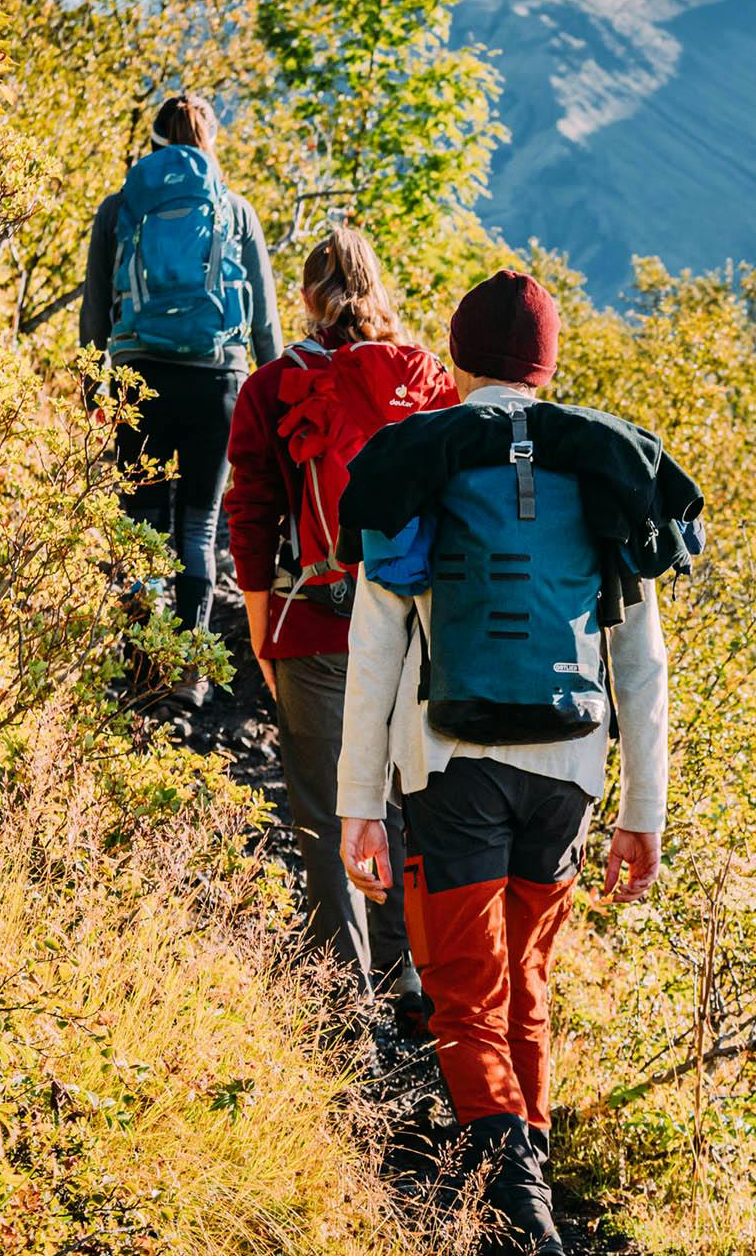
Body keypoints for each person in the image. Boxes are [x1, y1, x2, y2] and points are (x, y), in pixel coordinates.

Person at [336, 270, 690, 1256]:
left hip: (449, 761)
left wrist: (358, 801)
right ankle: (521, 1165)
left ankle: (520, 1208)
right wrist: (643, 813)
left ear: (456, 355)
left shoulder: (423, 463)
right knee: (524, 978)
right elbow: (641, 663)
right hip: (570, 770)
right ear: (548, 362)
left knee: (463, 984)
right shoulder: (604, 469)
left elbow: (376, 649)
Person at [224, 225, 453, 1021]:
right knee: (394, 797)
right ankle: (408, 977)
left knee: (325, 810)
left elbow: (248, 515)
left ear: (310, 299)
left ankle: (341, 996)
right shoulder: (424, 376)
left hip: (314, 623)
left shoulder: (270, 385)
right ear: (378, 289)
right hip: (408, 629)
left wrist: (263, 629)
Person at [81, 94, 281, 701]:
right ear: (209, 141)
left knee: (140, 525)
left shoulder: (120, 208)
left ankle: (141, 668)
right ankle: (187, 674)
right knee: (198, 530)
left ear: (154, 143)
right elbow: (265, 323)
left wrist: (95, 383)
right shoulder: (236, 211)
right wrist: (273, 401)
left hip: (141, 375)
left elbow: (95, 308)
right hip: (217, 382)